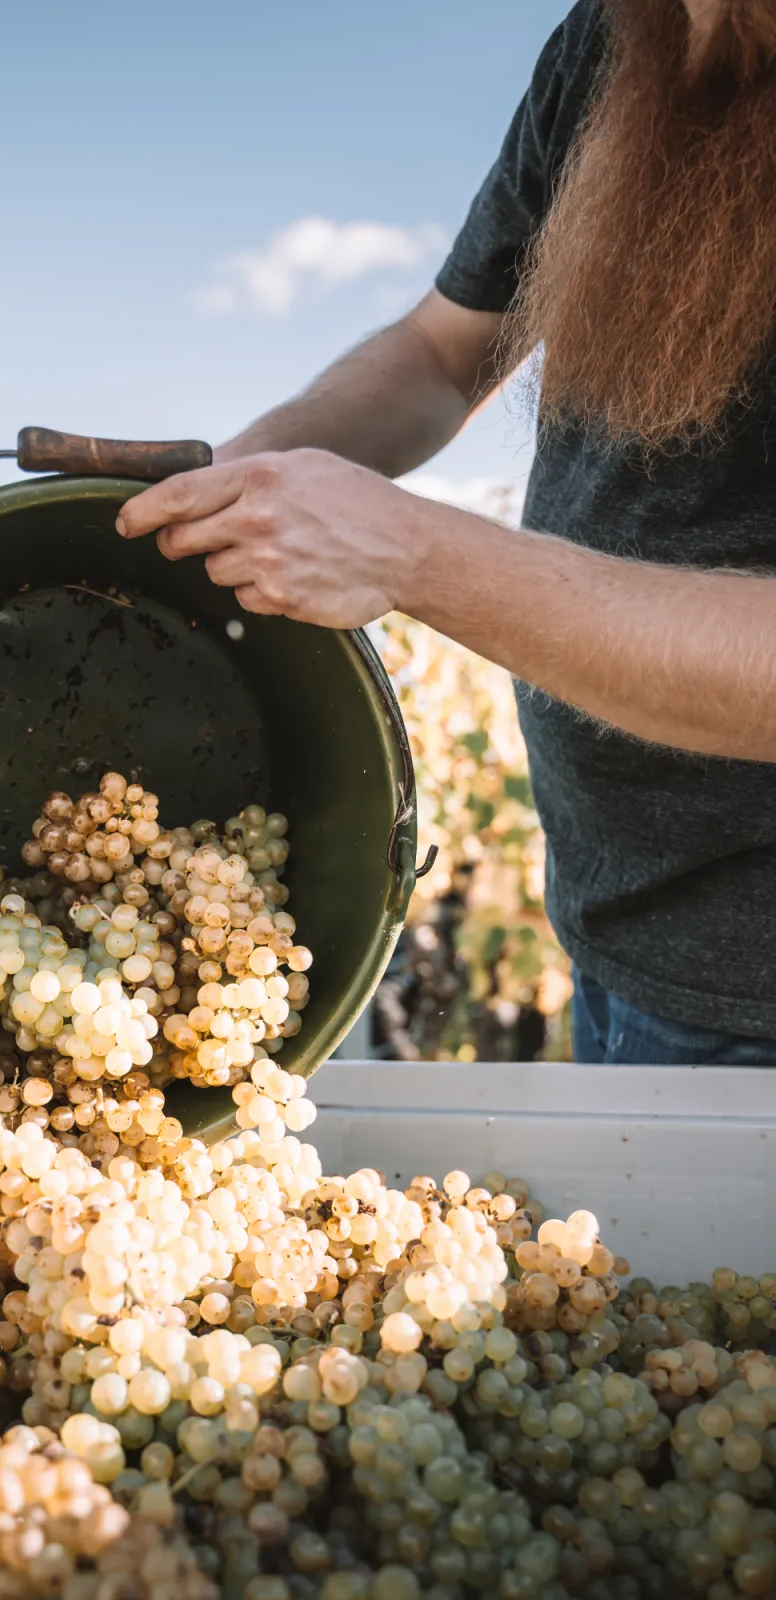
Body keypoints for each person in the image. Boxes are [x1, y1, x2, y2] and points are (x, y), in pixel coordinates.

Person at [116, 0, 776, 1067]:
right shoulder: (615, 39)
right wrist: (243, 474)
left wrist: (411, 553)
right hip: (612, 932)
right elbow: (438, 352)